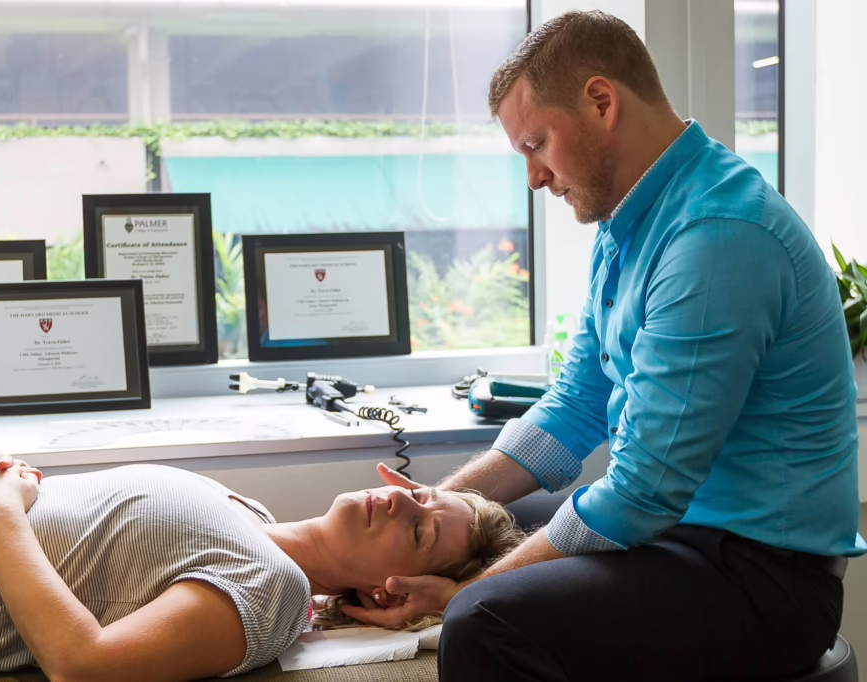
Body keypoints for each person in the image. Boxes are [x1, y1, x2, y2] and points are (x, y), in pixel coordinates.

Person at [341, 10, 866, 682]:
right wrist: (445, 509)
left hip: (761, 579)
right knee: (480, 532)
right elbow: (578, 404)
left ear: (601, 101)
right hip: (685, 535)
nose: (533, 177)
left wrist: (464, 595)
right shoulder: (631, 222)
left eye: (536, 144)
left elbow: (642, 493)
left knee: (484, 621)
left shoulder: (718, 237)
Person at [0, 455, 524, 682]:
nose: (404, 498)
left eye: (421, 528)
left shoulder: (271, 592)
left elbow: (85, 665)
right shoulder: (247, 511)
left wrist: (0, 516)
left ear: (386, 587)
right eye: (423, 491)